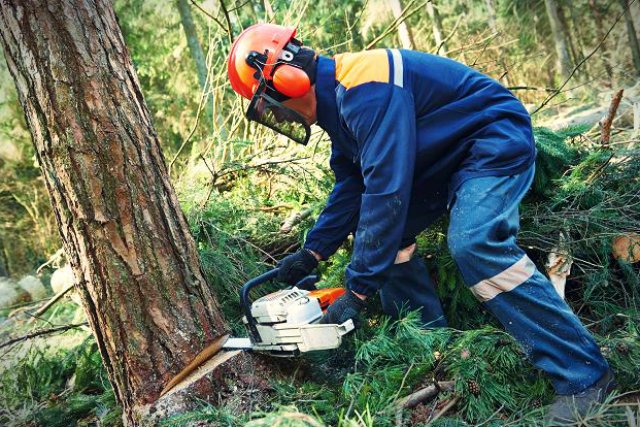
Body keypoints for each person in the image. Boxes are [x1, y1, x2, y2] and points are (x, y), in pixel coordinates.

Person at [226, 23, 614, 423]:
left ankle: (584, 375)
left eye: (269, 103)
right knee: (384, 239)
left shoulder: (366, 87)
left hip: (490, 141)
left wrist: (357, 292)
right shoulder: (337, 105)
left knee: (473, 243)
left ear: (288, 78)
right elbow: (351, 186)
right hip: (440, 162)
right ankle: (429, 351)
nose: (274, 113)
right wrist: (311, 253)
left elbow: (386, 191)